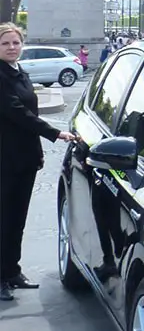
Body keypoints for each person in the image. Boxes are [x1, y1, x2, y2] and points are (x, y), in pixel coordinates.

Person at [0, 23, 77, 301]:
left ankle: (11, 271)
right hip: (5, 160)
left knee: (17, 219)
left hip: (24, 159)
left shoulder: (20, 72)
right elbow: (18, 114)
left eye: (15, 43)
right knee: (4, 220)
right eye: (5, 43)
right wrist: (55, 133)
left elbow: (27, 116)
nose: (11, 47)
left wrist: (38, 153)